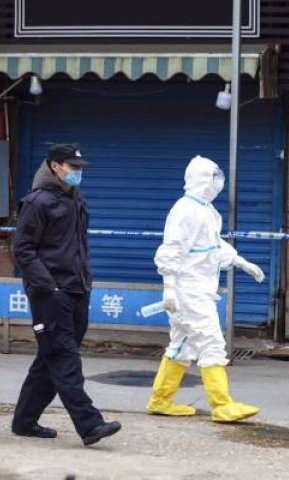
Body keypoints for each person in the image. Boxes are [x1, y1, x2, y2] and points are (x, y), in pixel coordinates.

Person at [12, 143, 122, 446]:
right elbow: (23, 250)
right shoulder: (37, 202)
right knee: (64, 358)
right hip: (50, 294)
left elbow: (78, 246)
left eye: (80, 167)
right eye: (73, 167)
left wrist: (85, 282)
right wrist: (49, 287)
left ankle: (24, 421)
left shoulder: (76, 199)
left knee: (50, 357)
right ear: (55, 166)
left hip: (77, 290)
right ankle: (90, 424)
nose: (78, 172)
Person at [147, 155, 265, 423]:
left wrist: (240, 261)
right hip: (189, 291)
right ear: (202, 179)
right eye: (214, 176)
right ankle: (222, 405)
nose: (219, 181)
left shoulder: (206, 210)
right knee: (211, 342)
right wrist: (169, 288)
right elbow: (171, 250)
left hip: (195, 289)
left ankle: (161, 400)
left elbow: (214, 245)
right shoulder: (186, 210)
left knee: (182, 345)